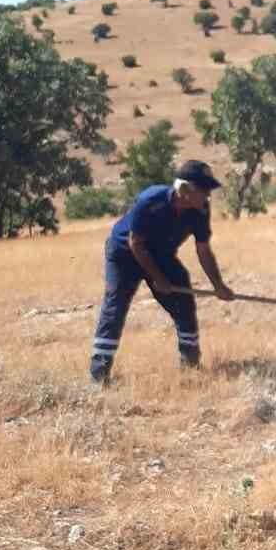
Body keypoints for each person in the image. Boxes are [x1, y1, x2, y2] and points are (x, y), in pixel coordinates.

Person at [89, 159, 234, 384]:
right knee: (115, 306)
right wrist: (158, 279)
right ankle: (99, 376)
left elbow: (203, 250)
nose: (207, 196)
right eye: (204, 190)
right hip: (124, 253)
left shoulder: (200, 211)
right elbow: (136, 243)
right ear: (185, 190)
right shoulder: (150, 200)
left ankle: (190, 366)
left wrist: (218, 286)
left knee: (184, 300)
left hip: (160, 254)